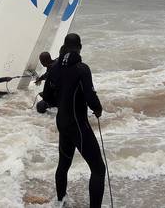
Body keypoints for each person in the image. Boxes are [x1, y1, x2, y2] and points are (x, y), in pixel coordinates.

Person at [42, 33, 105, 208]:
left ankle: (61, 201)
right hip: (77, 123)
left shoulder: (53, 69)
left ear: (63, 46)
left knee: (63, 164)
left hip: (62, 122)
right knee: (98, 169)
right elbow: (90, 96)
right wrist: (98, 109)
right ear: (79, 47)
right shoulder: (82, 68)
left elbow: (47, 97)